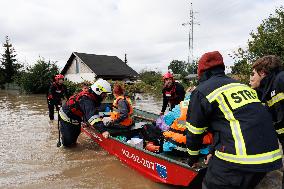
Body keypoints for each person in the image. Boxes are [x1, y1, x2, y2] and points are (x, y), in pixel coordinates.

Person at [185, 51, 282, 189]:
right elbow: (229, 123)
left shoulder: (202, 91)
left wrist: (192, 158)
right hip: (270, 158)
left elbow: (194, 132)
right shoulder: (241, 86)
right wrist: (213, 150)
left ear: (201, 73)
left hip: (239, 160)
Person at [249, 55, 284, 187]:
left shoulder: (281, 79)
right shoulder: (267, 91)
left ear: (263, 72)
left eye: (253, 74)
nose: (251, 78)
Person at [59, 79, 111, 147]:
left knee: (75, 136)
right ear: (98, 91)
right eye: (104, 94)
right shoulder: (87, 100)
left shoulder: (92, 97)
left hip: (75, 117)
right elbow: (93, 117)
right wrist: (103, 131)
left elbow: (87, 111)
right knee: (68, 143)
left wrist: (86, 122)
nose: (105, 96)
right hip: (66, 117)